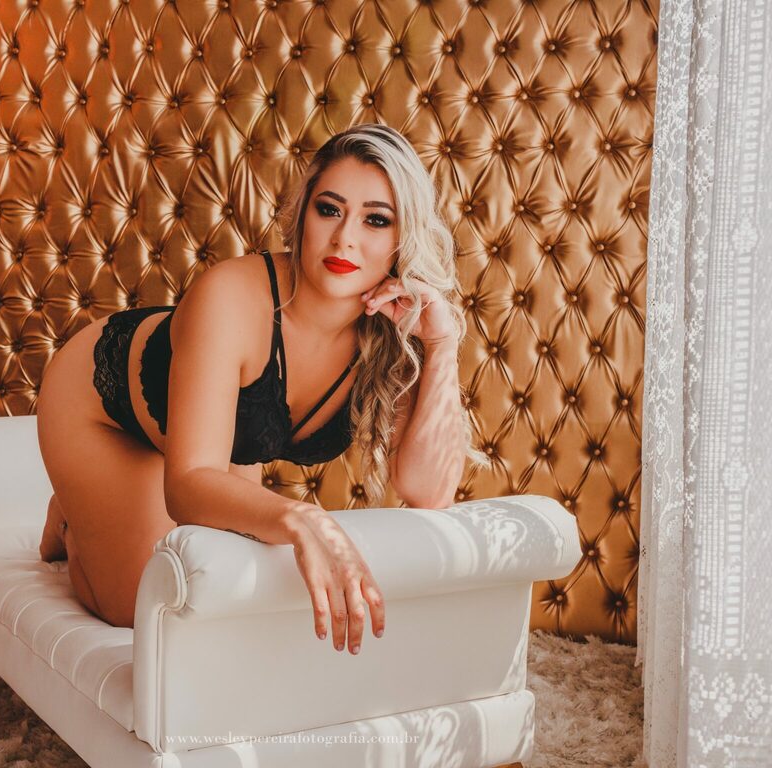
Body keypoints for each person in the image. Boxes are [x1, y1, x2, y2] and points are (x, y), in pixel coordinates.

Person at [35, 123, 488, 654]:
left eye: (376, 219)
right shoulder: (230, 296)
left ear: (402, 237)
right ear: (302, 215)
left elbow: (428, 493)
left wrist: (441, 344)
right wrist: (301, 515)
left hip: (215, 437)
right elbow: (187, 485)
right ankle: (73, 520)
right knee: (136, 606)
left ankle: (100, 510)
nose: (345, 237)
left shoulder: (395, 326)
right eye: (329, 209)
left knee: (218, 595)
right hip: (100, 402)